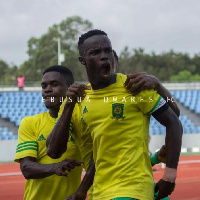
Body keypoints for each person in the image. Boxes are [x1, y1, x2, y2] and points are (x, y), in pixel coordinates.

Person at [47, 29, 182, 200]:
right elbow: (59, 151)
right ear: (83, 61)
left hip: (133, 189)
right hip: (99, 191)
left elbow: (174, 116)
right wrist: (82, 190)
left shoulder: (134, 87)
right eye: (96, 52)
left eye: (108, 51)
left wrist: (158, 85)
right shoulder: (79, 99)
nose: (104, 57)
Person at [14, 65, 83, 200]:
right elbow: (26, 168)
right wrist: (54, 167)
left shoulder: (82, 122)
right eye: (44, 86)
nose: (47, 90)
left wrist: (81, 191)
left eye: (54, 84)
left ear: (70, 88)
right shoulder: (30, 123)